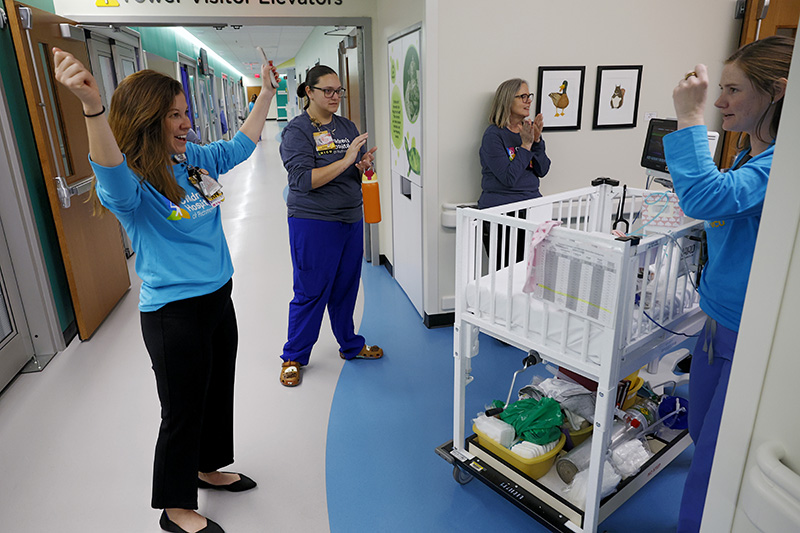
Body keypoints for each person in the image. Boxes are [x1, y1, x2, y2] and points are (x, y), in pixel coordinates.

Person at [52, 47, 278, 533]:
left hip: (219, 297)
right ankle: (175, 507)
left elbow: (238, 147)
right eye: (173, 115)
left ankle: (208, 466)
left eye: (185, 113)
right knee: (182, 409)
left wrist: (267, 95)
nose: (185, 122)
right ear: (148, 119)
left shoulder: (190, 158)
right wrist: (94, 108)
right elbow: (108, 172)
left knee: (218, 390)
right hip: (174, 313)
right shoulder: (132, 182)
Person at [663, 35, 793, 533]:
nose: (719, 103)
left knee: (715, 464)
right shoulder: (748, 158)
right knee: (700, 431)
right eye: (719, 91)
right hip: (717, 325)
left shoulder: (780, 166)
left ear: (778, 92)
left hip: (748, 337)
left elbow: (705, 199)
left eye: (733, 91)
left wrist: (688, 115)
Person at [278, 65, 382, 387]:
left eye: (339, 91)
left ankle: (349, 344)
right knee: (311, 290)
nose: (336, 96)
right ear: (309, 92)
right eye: (328, 91)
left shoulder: (346, 126)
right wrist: (347, 160)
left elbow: (352, 167)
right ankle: (294, 355)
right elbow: (302, 180)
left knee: (346, 287)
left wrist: (362, 165)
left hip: (349, 218)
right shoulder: (297, 131)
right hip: (313, 222)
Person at [478, 78, 551, 268]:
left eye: (529, 96)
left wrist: (537, 140)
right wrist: (526, 145)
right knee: (508, 274)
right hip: (503, 213)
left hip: (532, 210)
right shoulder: (493, 136)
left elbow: (543, 170)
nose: (528, 101)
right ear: (507, 100)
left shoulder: (527, 130)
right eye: (523, 96)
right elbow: (509, 178)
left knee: (533, 271)